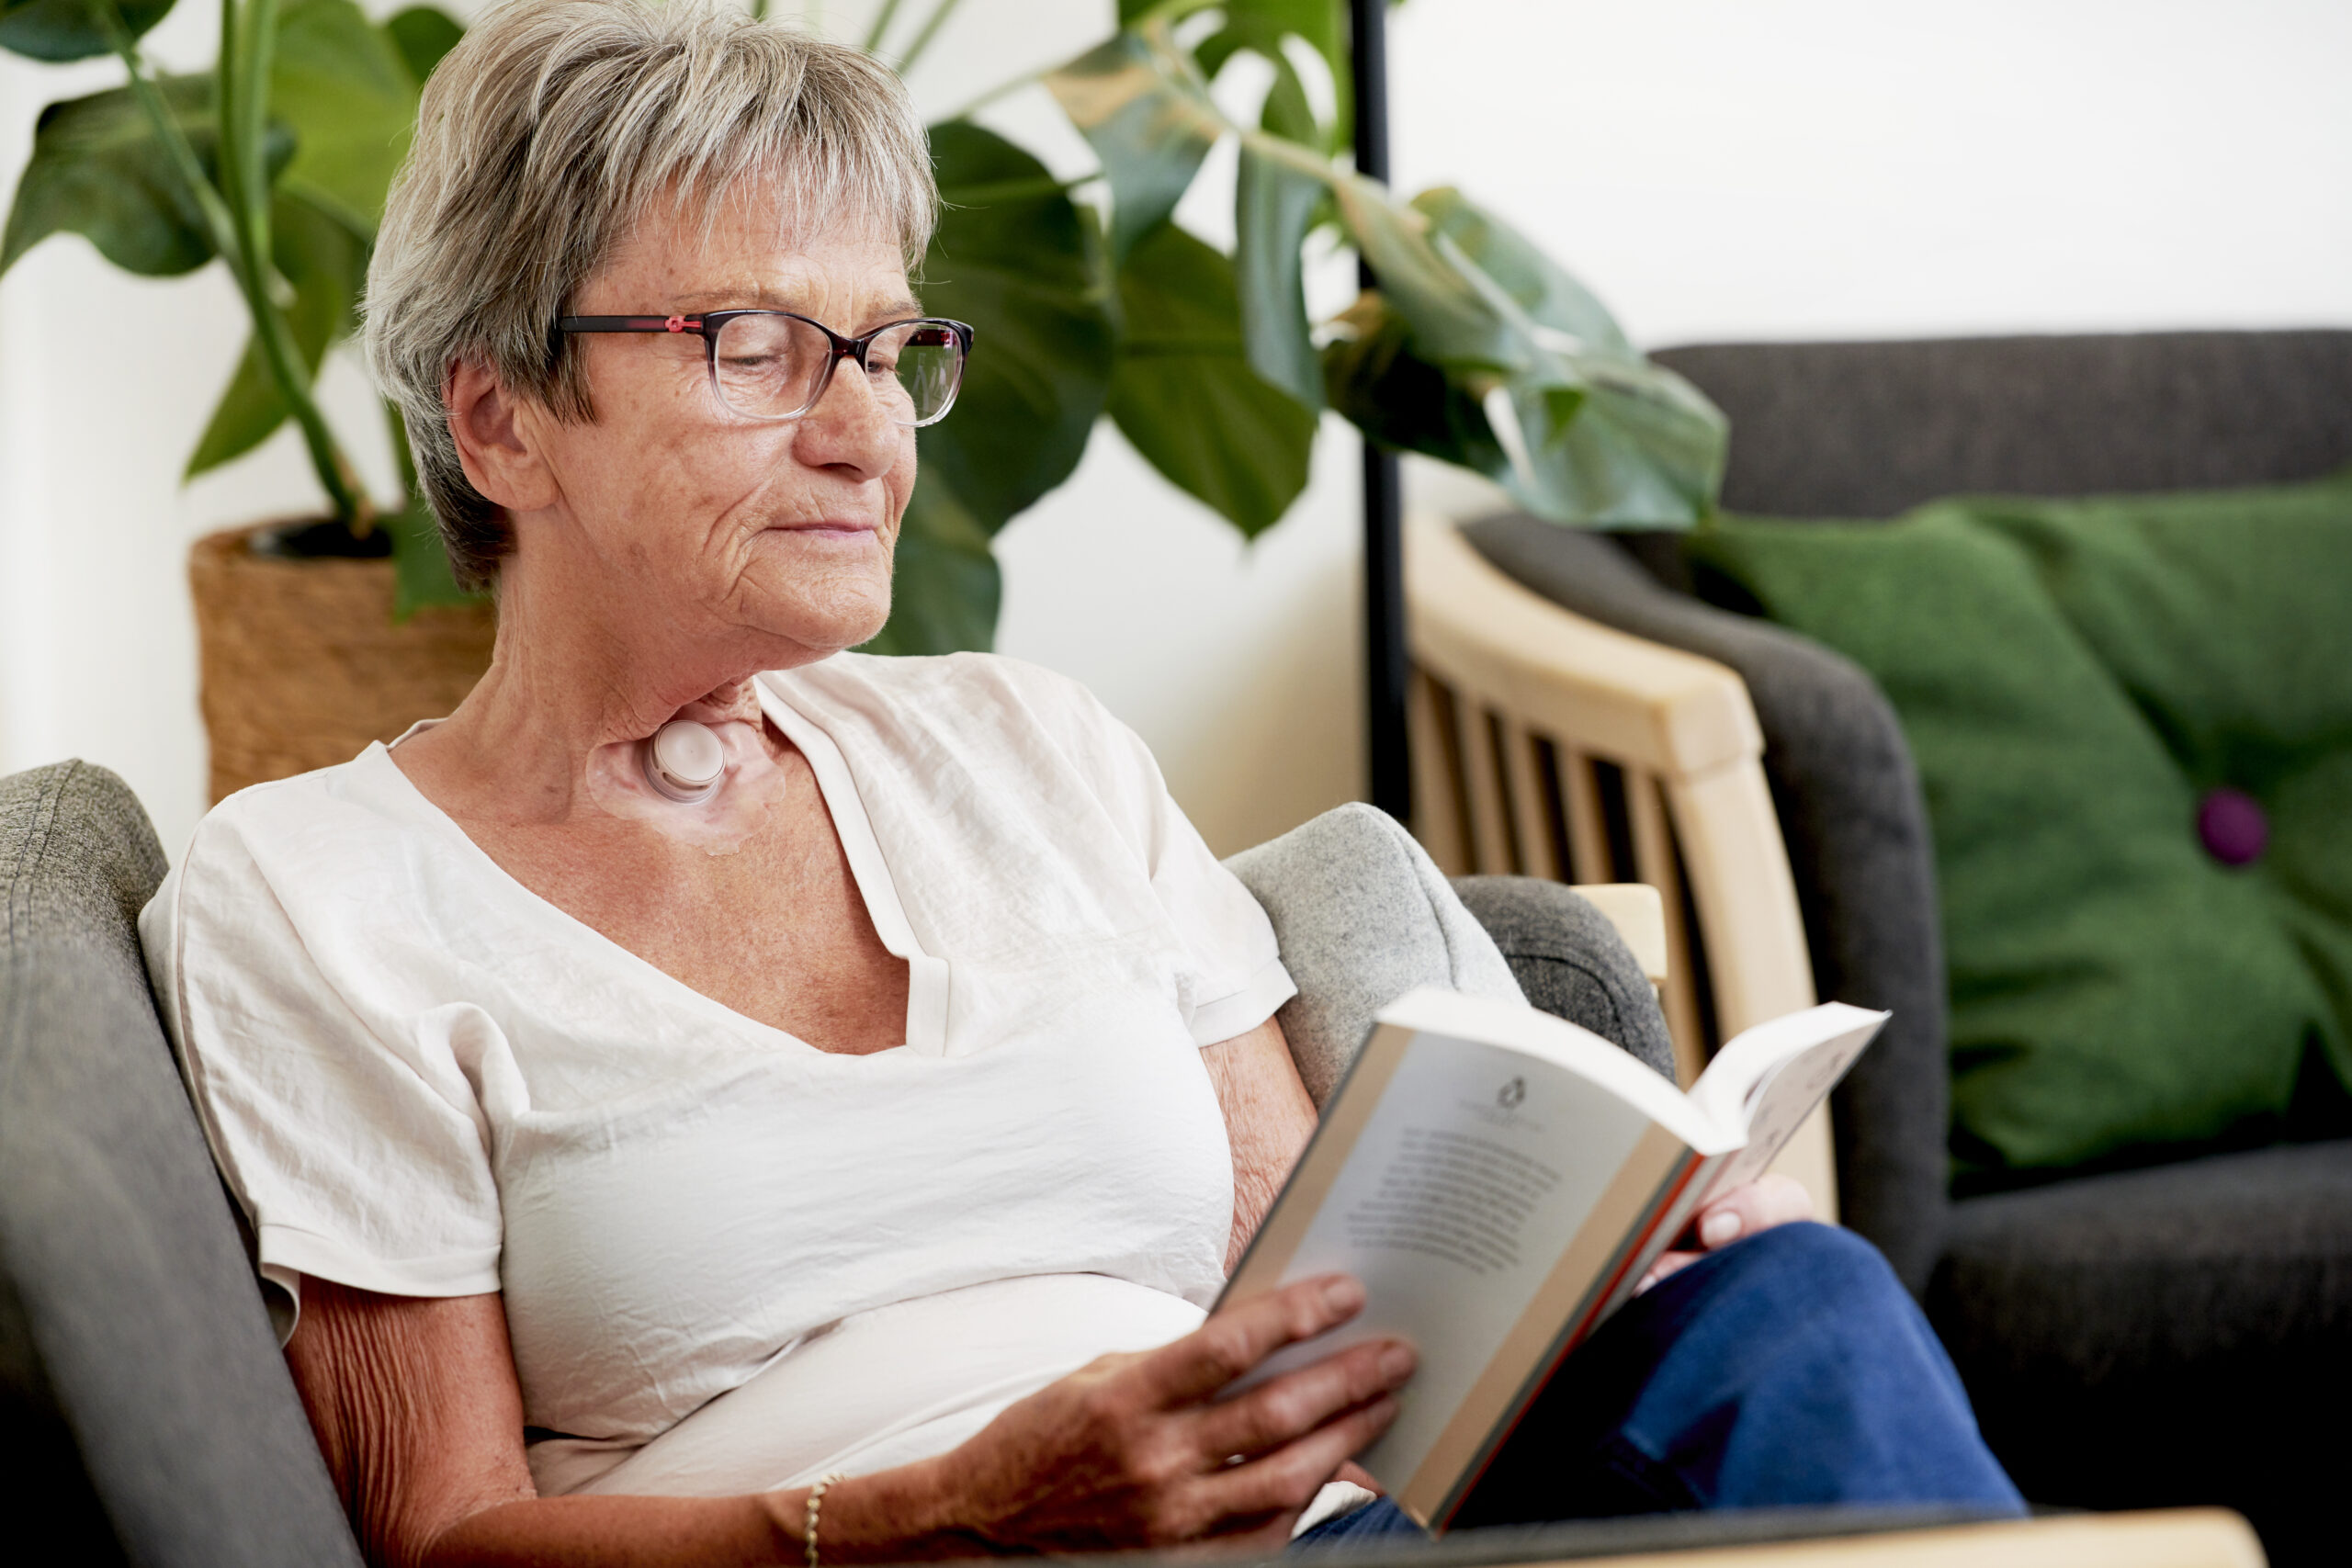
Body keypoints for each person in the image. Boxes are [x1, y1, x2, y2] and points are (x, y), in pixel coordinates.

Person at [141, 3, 2023, 1563]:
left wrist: (1599, 1247)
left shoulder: (1026, 747)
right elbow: (442, 1533)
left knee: (1798, 1307)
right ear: (498, 415)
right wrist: (946, 1509)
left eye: (885, 348)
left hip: (1301, 1537)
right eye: (752, 344)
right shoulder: (313, 890)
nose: (861, 424)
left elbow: (1312, 1292)